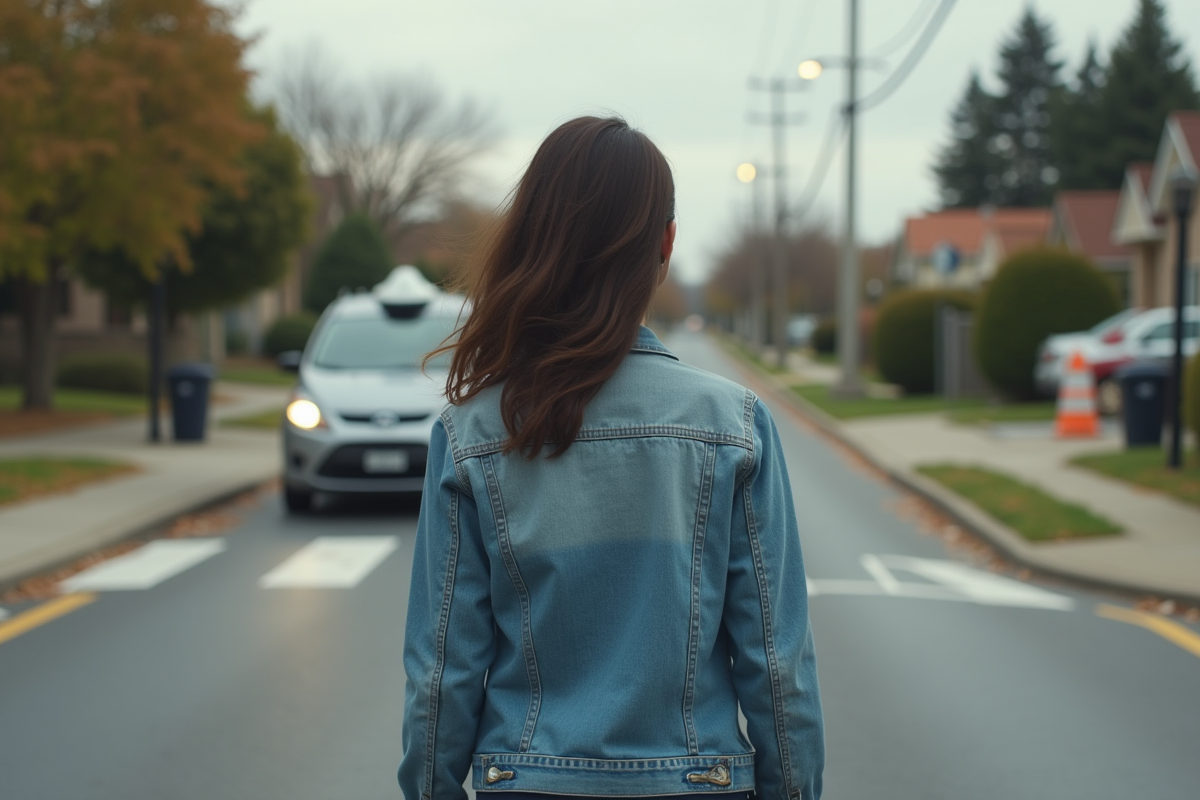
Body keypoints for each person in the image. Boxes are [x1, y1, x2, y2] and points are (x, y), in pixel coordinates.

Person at [399, 116, 823, 800]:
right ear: (665, 245)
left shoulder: (472, 432)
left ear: (533, 239)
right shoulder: (735, 426)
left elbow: (440, 673)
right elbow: (780, 668)